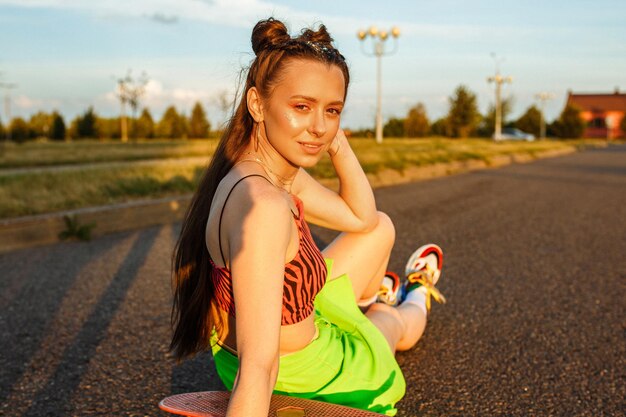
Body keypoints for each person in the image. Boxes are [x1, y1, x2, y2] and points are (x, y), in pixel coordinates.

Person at [170, 17, 446, 417]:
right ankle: (413, 292)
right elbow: (260, 368)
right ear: (257, 104)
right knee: (391, 328)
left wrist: (339, 147)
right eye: (302, 107)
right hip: (308, 374)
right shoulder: (264, 204)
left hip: (268, 338)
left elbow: (361, 218)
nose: (318, 127)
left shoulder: (262, 172)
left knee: (381, 226)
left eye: (332, 111)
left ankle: (384, 296)